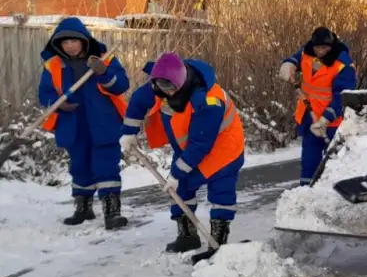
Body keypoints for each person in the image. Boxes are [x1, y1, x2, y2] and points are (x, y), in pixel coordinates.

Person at [120, 52, 245, 263]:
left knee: (221, 192)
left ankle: (218, 242)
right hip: (189, 147)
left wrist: (177, 172)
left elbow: (201, 144)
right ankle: (187, 235)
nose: (165, 92)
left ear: (182, 81)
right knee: (181, 188)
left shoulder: (209, 101)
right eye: (161, 87)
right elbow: (139, 100)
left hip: (223, 149)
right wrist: (129, 132)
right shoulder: (160, 84)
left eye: (170, 88)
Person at [38, 17, 130, 230]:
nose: (69, 46)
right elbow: (44, 93)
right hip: (73, 124)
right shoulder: (54, 65)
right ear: (58, 44)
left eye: (74, 41)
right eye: (65, 42)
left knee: (106, 165)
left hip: (103, 122)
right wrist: (59, 104)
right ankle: (83, 207)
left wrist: (103, 73)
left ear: (84, 41)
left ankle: (112, 211)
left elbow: (121, 85)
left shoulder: (104, 60)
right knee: (79, 166)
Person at [278, 27, 357, 185]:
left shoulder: (343, 65)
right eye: (318, 47)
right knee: (309, 161)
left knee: (334, 162)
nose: (321, 51)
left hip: (332, 123)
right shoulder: (307, 53)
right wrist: (289, 64)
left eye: (325, 48)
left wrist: (326, 119)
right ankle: (306, 192)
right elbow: (297, 58)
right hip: (309, 118)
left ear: (331, 45)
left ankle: (332, 194)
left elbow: (342, 96)